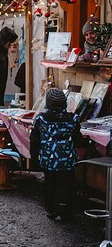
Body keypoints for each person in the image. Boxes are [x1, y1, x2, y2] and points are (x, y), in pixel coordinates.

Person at [29, 88, 81, 223]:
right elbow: (77, 139)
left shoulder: (41, 119)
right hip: (67, 159)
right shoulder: (73, 118)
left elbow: (34, 141)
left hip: (49, 158)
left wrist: (34, 159)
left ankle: (51, 209)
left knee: (50, 183)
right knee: (66, 184)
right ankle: (64, 211)